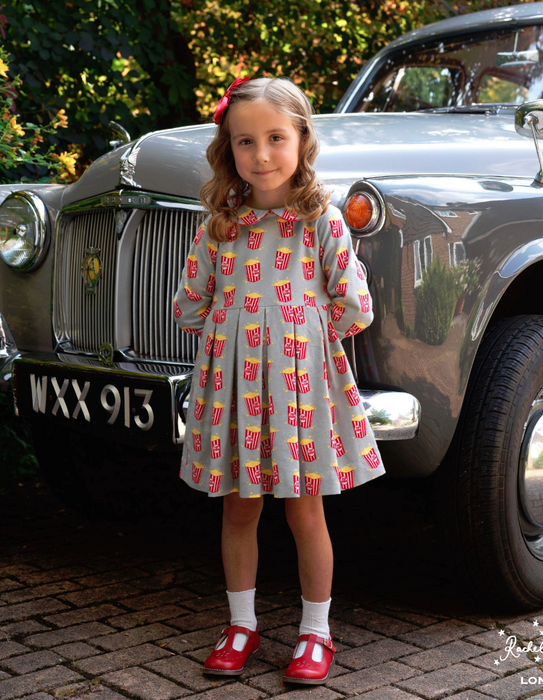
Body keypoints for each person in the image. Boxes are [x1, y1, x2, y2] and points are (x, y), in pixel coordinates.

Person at [171, 76, 383, 685]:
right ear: (228, 149)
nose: (260, 155)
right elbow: (189, 307)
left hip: (298, 392)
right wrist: (235, 333)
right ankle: (241, 625)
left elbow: (355, 306)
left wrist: (302, 340)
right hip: (232, 390)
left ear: (301, 140)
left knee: (304, 511)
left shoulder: (321, 221)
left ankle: (316, 633)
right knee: (238, 510)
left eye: (274, 138)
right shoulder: (220, 227)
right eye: (244, 142)